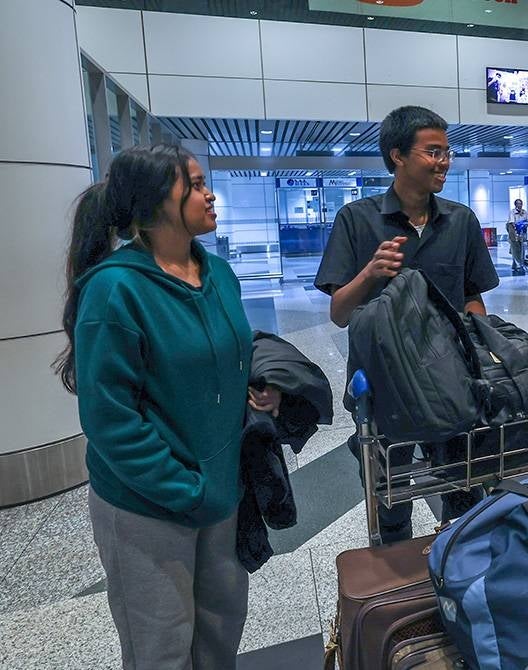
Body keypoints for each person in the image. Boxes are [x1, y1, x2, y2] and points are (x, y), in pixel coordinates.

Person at [54, 144, 280, 669]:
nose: (210, 194)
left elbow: (230, 355)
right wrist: (186, 491)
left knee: (221, 634)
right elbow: (110, 420)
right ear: (157, 205)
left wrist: (262, 387)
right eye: (195, 185)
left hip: (220, 490)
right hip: (147, 505)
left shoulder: (218, 273)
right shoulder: (115, 290)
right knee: (162, 650)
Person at [314, 105, 500, 543]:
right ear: (397, 155)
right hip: (383, 386)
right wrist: (370, 273)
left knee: (466, 490)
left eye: (447, 151)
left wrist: (484, 354)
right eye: (433, 152)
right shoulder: (357, 221)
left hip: (452, 381)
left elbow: (473, 296)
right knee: (390, 498)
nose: (444, 161)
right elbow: (340, 313)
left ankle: (461, 571)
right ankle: (399, 586)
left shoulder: (460, 221)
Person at [506, 198, 528, 275]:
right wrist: (518, 227)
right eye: (518, 204)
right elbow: (512, 223)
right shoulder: (512, 212)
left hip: (522, 234)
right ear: (515, 205)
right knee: (515, 250)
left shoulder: (524, 212)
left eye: (521, 204)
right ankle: (518, 265)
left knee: (521, 250)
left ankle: (516, 264)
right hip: (514, 234)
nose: (519, 205)